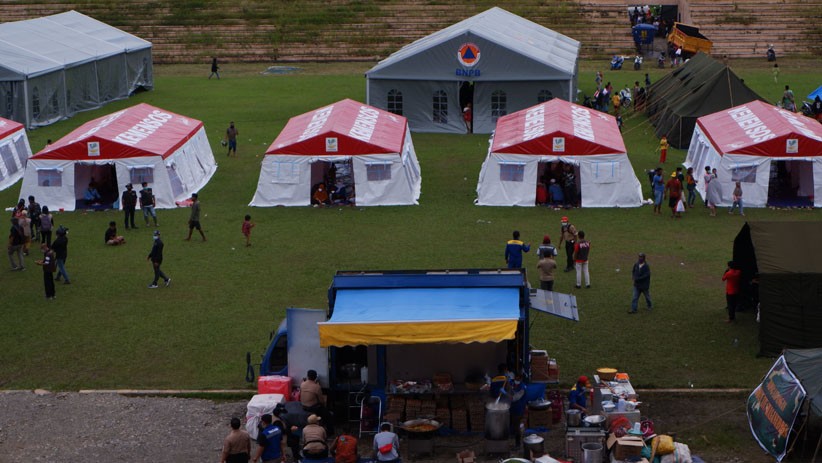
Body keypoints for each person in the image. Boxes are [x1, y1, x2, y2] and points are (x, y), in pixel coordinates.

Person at [300, 369, 332, 433]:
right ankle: (329, 431)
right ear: (315, 377)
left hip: (303, 406)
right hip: (312, 408)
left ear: (308, 376)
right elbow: (321, 401)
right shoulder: (317, 387)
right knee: (328, 415)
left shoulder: (302, 384)